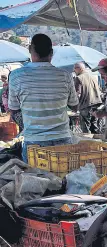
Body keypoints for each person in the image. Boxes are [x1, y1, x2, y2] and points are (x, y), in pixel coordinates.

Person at [8, 34, 79, 162]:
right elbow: (74, 105)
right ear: (52, 52)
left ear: (30, 49)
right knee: (64, 179)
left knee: (36, 179)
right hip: (63, 140)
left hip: (34, 143)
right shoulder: (65, 76)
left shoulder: (16, 76)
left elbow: (13, 110)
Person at [73, 62, 102, 134]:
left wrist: (75, 107)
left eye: (75, 68)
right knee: (95, 128)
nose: (74, 70)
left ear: (79, 69)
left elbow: (77, 94)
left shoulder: (79, 78)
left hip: (85, 106)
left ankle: (89, 144)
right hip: (96, 105)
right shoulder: (93, 76)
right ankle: (97, 144)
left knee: (86, 131)